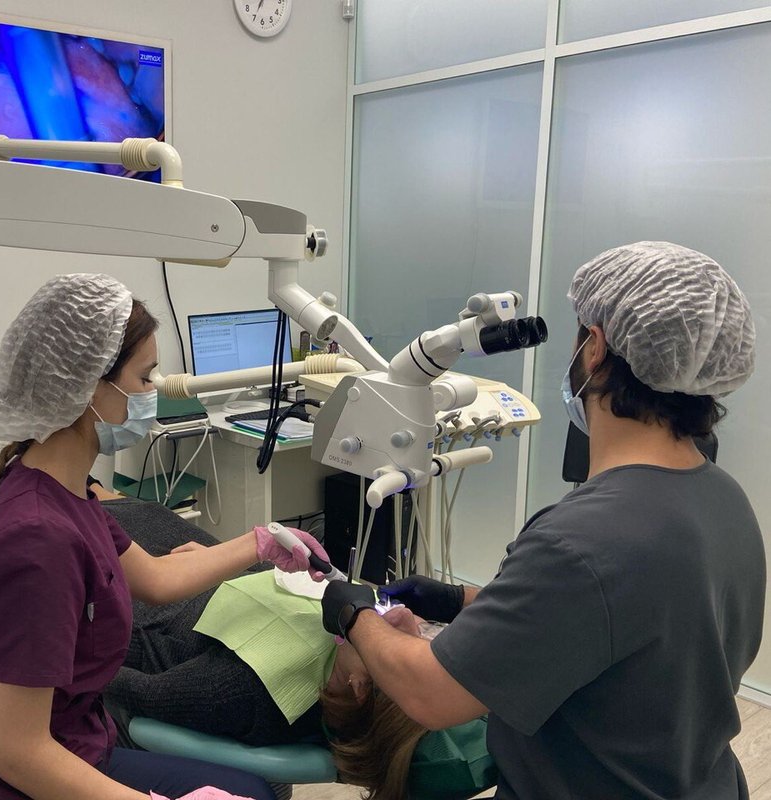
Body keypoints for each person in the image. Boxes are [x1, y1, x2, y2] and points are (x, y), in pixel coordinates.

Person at [321, 242, 765, 799]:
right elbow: (619, 624)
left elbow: (431, 695)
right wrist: (461, 601)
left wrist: (354, 614)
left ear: (595, 348)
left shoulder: (581, 540)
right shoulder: (723, 499)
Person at [0, 273, 330, 800]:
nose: (154, 392)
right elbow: (18, 754)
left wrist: (260, 542)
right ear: (89, 387)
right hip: (4, 781)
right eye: (145, 376)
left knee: (258, 790)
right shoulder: (37, 541)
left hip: (78, 742)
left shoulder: (67, 490)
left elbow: (156, 579)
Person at [97, 496, 448, 800]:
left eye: (394, 641)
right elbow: (286, 596)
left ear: (359, 686)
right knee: (128, 504)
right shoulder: (342, 646)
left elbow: (136, 690)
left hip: (139, 601)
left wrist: (77, 646)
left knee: (85, 500)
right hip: (199, 567)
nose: (404, 616)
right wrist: (225, 559)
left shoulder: (238, 693)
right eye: (422, 639)